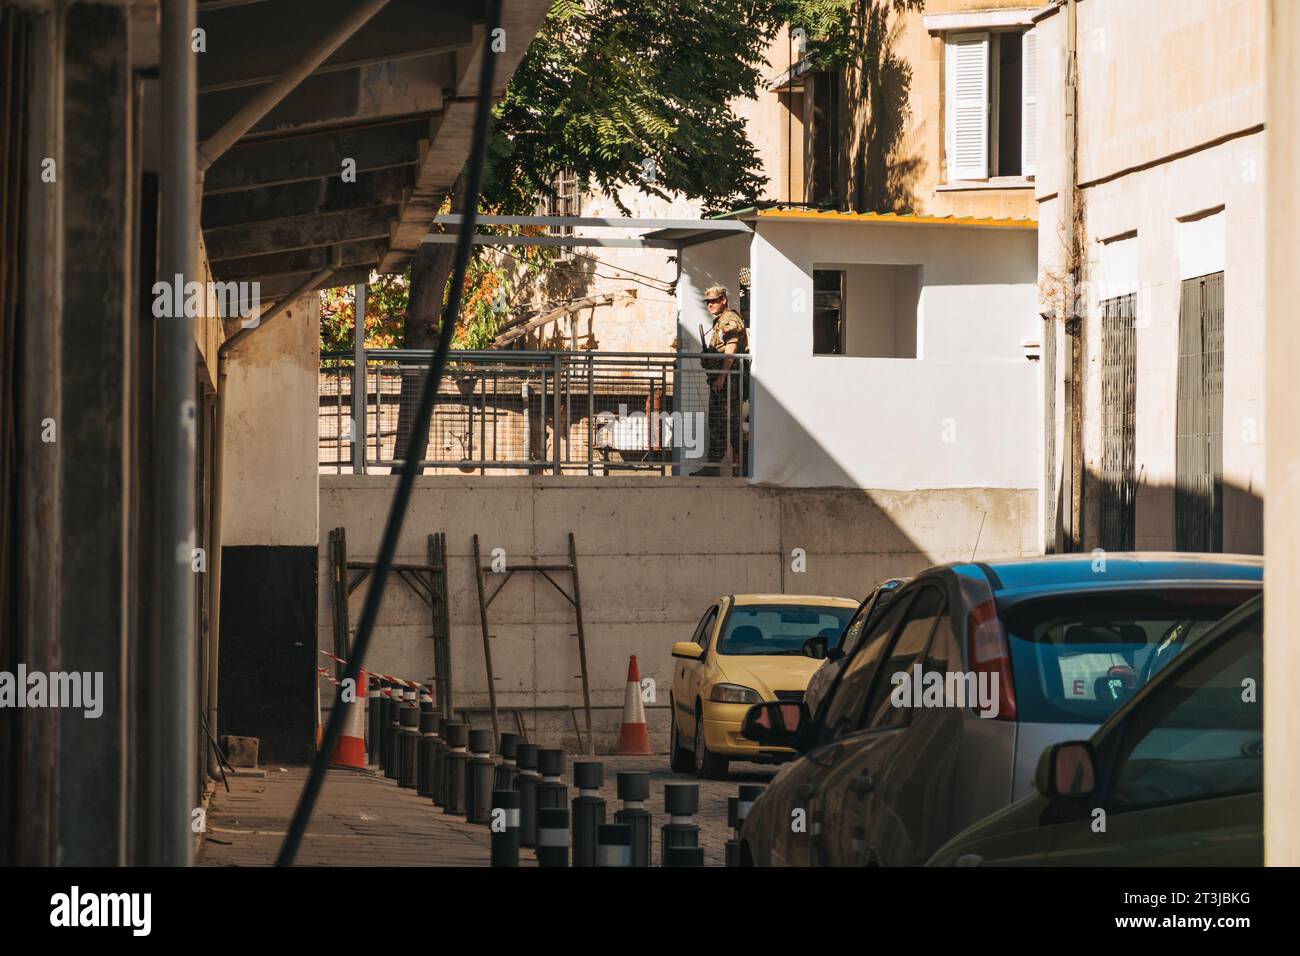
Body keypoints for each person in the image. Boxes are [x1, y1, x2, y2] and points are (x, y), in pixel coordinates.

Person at [701, 285, 749, 474]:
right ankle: (712, 468)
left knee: (729, 424)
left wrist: (721, 378)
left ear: (723, 300)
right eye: (708, 302)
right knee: (718, 424)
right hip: (721, 384)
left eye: (714, 301)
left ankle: (745, 466)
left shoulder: (729, 319)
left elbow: (731, 351)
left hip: (728, 384)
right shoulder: (721, 320)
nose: (710, 305)